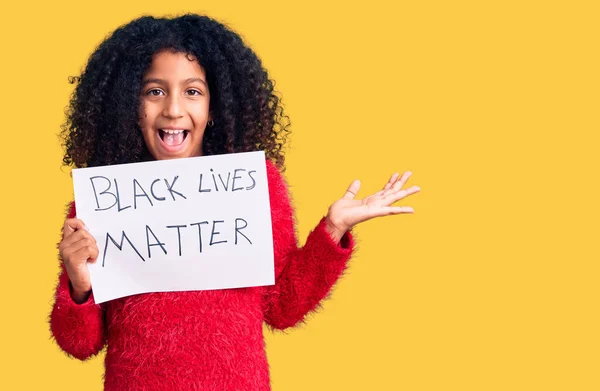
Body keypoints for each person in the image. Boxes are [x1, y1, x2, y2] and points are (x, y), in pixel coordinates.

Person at [49, 13, 420, 391]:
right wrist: (79, 285)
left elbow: (282, 308)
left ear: (214, 107)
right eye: (154, 91)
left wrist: (333, 230)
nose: (173, 109)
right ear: (129, 103)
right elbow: (79, 344)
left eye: (192, 91)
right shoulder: (103, 202)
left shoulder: (253, 189)